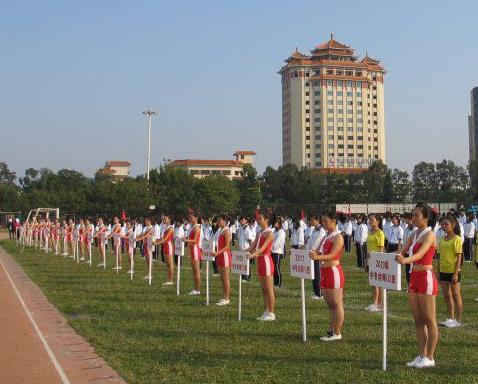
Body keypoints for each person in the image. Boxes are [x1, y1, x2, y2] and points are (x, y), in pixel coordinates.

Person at [396, 203, 439, 369]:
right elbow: (402, 251)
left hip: (426, 278)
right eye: (412, 215)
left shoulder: (430, 235)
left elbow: (420, 255)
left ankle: (430, 356)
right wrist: (379, 256)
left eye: (416, 215)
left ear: (426, 218)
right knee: (418, 320)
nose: (413, 218)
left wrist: (405, 260)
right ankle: (421, 354)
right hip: (414, 277)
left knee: (429, 319)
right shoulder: (414, 234)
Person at [309, 212, 345, 341]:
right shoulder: (326, 236)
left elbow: (333, 255)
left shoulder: (338, 237)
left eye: (326, 221)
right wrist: (314, 253)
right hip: (324, 272)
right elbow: (320, 250)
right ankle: (331, 330)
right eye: (322, 221)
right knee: (330, 304)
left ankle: (337, 332)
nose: (323, 224)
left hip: (333, 271)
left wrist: (317, 257)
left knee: (336, 303)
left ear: (333, 221)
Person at [247, 211, 275, 321]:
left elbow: (263, 248)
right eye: (257, 219)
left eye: (260, 219)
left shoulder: (269, 233)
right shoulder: (259, 233)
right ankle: (266, 310)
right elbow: (253, 246)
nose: (258, 221)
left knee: (269, 289)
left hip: (266, 260)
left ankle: (271, 313)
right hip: (260, 261)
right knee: (263, 289)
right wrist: (241, 252)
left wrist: (253, 255)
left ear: (267, 220)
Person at [438, 215, 463, 328]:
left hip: (453, 271)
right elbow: (439, 256)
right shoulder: (442, 239)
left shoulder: (457, 239)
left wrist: (456, 273)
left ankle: (458, 320)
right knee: (447, 296)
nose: (444, 226)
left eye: (446, 224)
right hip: (443, 271)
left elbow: (459, 257)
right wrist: (439, 271)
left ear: (453, 225)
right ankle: (451, 318)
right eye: (443, 224)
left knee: (456, 295)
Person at [365, 214, 385, 312]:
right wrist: (366, 261)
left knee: (379, 283)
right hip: (370, 260)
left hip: (377, 260)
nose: (370, 221)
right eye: (369, 220)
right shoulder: (371, 232)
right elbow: (368, 248)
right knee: (373, 282)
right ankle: (374, 303)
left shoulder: (380, 233)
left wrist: (374, 257)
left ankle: (380, 304)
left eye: (372, 220)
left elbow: (381, 249)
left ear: (378, 221)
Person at [212, 215, 232, 305]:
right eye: (218, 221)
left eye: (220, 220)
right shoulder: (221, 231)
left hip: (225, 256)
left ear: (225, 221)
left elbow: (227, 246)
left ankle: (227, 298)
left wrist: (218, 252)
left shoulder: (227, 231)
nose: (218, 222)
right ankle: (223, 296)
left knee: (225, 278)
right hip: (219, 255)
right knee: (222, 278)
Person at [305, 215, 326, 300]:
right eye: (310, 220)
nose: (310, 222)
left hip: (318, 254)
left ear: (317, 220)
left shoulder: (321, 230)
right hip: (312, 253)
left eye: (312, 220)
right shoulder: (314, 230)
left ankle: (319, 293)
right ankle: (315, 292)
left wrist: (313, 251)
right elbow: (310, 241)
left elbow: (318, 242)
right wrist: (307, 249)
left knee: (317, 273)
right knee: (313, 273)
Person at [183, 213, 202, 295]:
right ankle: (195, 288)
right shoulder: (193, 227)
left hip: (195, 250)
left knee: (196, 271)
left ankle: (197, 290)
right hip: (192, 250)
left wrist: (186, 240)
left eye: (191, 217)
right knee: (194, 271)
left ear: (196, 218)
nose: (190, 219)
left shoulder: (197, 228)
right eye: (189, 217)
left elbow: (195, 240)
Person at [155, 215, 175, 286]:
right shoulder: (165, 228)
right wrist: (156, 241)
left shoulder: (171, 228)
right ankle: (168, 279)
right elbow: (162, 238)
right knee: (167, 264)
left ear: (170, 220)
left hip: (169, 246)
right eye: (164, 219)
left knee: (170, 264)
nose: (164, 221)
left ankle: (171, 280)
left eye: (165, 219)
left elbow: (166, 239)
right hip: (165, 246)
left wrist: (157, 243)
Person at [271, 216, 286, 288]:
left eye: (275, 223)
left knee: (277, 268)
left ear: (279, 223)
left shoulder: (281, 232)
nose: (273, 224)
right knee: (273, 268)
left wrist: (271, 249)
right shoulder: (274, 231)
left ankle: (278, 283)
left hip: (277, 252)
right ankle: (275, 282)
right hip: (272, 251)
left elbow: (277, 243)